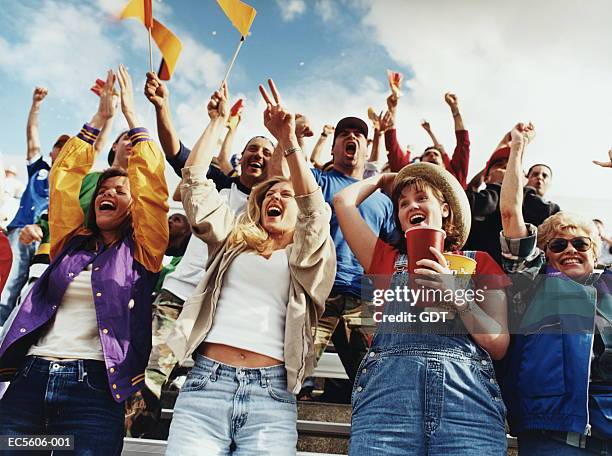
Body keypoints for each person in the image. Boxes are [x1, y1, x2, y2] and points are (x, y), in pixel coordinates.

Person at [0, 67, 169, 455]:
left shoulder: (144, 251)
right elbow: (63, 180)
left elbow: (154, 193)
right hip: (31, 381)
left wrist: (133, 115)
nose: (107, 193)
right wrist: (101, 118)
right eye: (103, 190)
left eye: (121, 190)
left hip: (93, 392)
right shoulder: (69, 242)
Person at [164, 80, 335, 455]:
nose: (275, 195)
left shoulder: (309, 258)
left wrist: (288, 138)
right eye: (268, 194)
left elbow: (315, 210)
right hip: (206, 385)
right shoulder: (232, 240)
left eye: (284, 194)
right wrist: (219, 122)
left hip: (271, 396)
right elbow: (194, 185)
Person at [334, 161, 511, 454]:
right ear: (401, 221)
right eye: (402, 204)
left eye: (421, 198)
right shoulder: (384, 260)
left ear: (445, 209)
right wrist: (382, 180)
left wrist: (458, 297)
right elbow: (343, 201)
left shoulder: (479, 261)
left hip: (466, 407)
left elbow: (498, 344)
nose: (410, 206)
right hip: (386, 410)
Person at [499, 123, 612, 454]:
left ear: (594, 251)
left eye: (579, 242)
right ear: (545, 254)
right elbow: (509, 213)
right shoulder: (535, 282)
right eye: (557, 244)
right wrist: (518, 147)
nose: (569, 250)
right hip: (551, 431)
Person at [0, 87, 69, 327]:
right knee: (9, 282)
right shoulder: (39, 169)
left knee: (30, 291)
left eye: (67, 146)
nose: (62, 149)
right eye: (59, 145)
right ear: (52, 151)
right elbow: (31, 134)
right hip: (22, 231)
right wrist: (36, 105)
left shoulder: (72, 183)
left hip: (48, 241)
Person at [464, 125, 561, 265]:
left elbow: (547, 213)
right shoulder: (475, 199)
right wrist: (498, 186)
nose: (506, 170)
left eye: (509, 167)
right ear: (486, 178)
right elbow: (479, 204)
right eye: (500, 166)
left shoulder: (532, 203)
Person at [384, 91, 470, 188]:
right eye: (427, 154)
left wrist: (455, 110)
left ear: (444, 163)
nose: (432, 155)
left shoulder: (455, 178)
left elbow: (463, 143)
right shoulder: (407, 177)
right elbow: (392, 147)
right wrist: (392, 109)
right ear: (421, 162)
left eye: (436, 154)